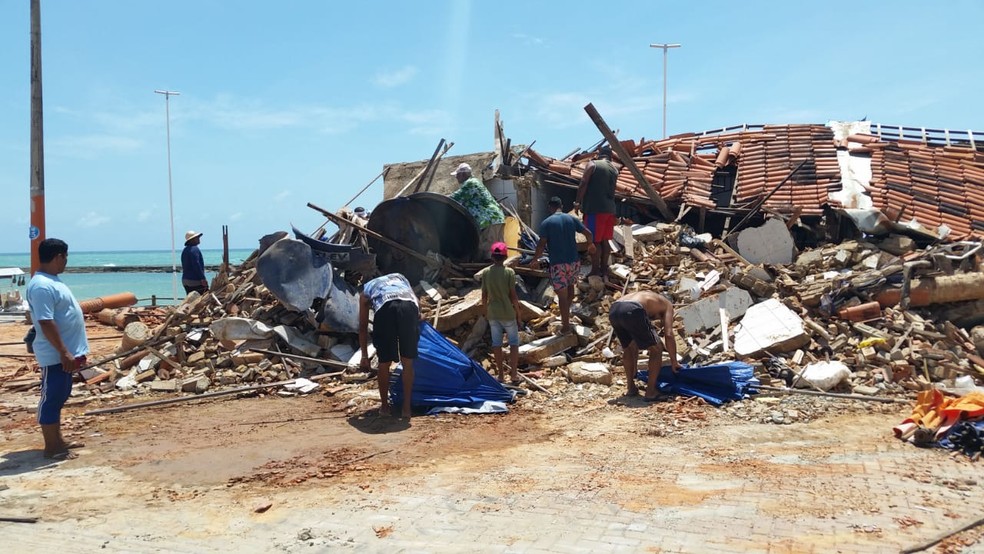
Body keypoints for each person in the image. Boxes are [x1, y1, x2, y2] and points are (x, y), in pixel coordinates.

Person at [25, 238, 89, 460]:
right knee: (51, 397)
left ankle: (59, 440)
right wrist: (63, 351)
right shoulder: (42, 285)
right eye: (65, 257)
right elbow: (45, 321)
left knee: (61, 394)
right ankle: (51, 446)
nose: (66, 262)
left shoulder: (52, 280)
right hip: (55, 354)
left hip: (65, 353)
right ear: (58, 256)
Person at [358, 273, 420, 418]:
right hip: (409, 306)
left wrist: (364, 356)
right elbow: (417, 304)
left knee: (384, 363)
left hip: (385, 309)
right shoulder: (400, 277)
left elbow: (362, 326)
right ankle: (406, 410)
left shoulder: (367, 290)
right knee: (408, 362)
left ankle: (385, 408)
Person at [531, 196, 594, 333]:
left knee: (562, 297)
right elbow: (588, 233)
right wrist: (590, 244)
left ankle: (565, 327)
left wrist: (535, 259)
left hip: (558, 264)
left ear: (550, 207)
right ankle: (566, 315)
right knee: (570, 290)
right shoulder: (571, 219)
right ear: (562, 206)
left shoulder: (547, 222)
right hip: (574, 262)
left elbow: (541, 244)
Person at [608, 290, 679, 401]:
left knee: (629, 347)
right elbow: (669, 334)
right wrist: (674, 361)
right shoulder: (668, 305)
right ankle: (651, 391)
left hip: (614, 309)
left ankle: (631, 387)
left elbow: (635, 339)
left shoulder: (647, 298)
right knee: (657, 348)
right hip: (632, 309)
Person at [479, 242, 523, 384]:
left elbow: (484, 295)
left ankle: (501, 376)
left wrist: (485, 311)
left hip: (493, 313)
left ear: (492, 257)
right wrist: (519, 314)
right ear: (505, 257)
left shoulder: (486, 272)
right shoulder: (509, 272)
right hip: (508, 313)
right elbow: (513, 296)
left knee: (496, 344)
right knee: (514, 343)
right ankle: (514, 375)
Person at [574, 145, 618, 278]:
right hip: (610, 210)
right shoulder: (615, 169)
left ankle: (595, 270)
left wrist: (577, 202)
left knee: (594, 241)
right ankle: (604, 269)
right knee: (605, 240)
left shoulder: (593, 164)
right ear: (610, 156)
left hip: (594, 209)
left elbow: (583, 183)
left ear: (599, 154)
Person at [448, 162, 506, 257]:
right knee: (498, 249)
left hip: (489, 220)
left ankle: (491, 270)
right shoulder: (474, 182)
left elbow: (454, 198)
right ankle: (498, 269)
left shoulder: (470, 183)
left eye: (457, 175)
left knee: (489, 250)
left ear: (462, 174)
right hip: (495, 218)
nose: (456, 178)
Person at [181, 230, 208, 295]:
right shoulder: (195, 249)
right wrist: (202, 278)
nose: (198, 239)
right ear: (192, 240)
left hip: (185, 279)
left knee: (190, 300)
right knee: (203, 297)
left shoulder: (185, 250)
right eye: (197, 238)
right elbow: (196, 264)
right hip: (194, 280)